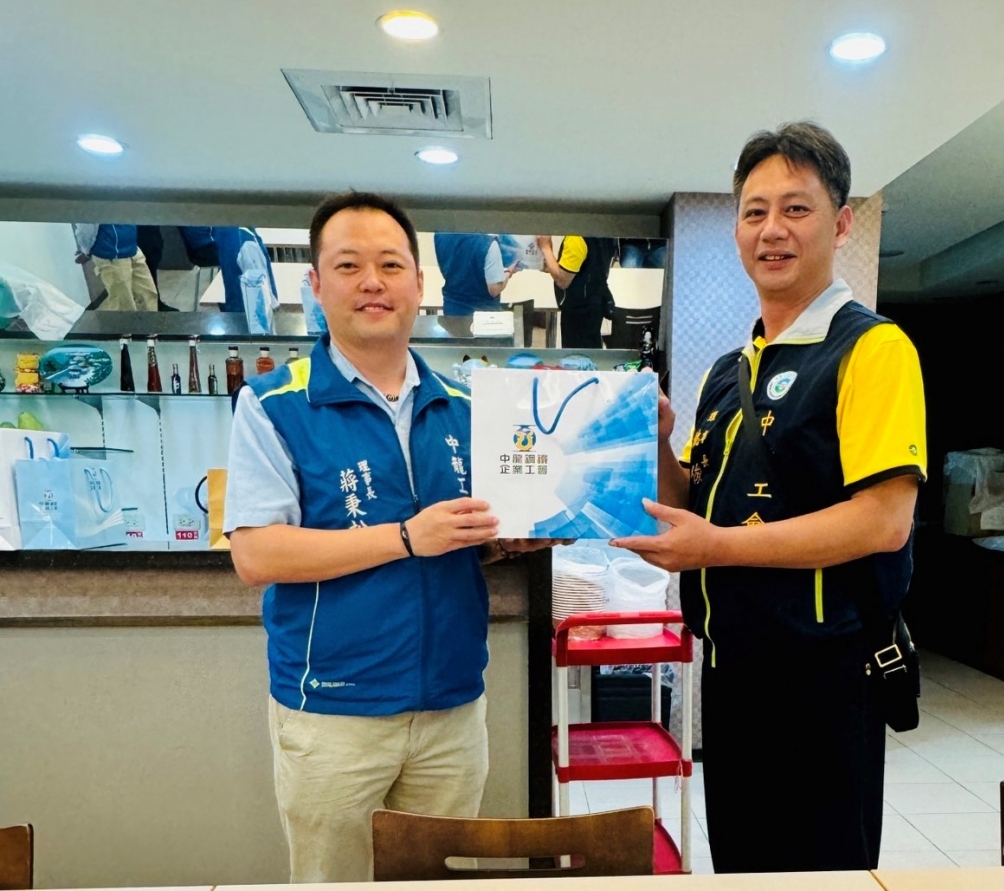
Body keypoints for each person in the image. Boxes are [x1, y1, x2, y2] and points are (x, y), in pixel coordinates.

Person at [614, 121, 927, 873]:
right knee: (743, 865)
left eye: (796, 208)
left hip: (827, 675)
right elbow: (693, 501)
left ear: (841, 224)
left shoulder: (874, 349)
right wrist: (656, 443)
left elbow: (884, 521)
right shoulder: (728, 371)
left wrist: (716, 547)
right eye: (754, 212)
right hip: (731, 671)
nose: (771, 230)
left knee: (821, 872)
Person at [223, 191, 550, 883]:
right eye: (349, 265)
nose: (373, 282)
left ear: (419, 284)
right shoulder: (273, 404)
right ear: (317, 284)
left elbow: (468, 536)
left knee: (440, 881)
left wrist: (510, 539)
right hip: (334, 712)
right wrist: (407, 536)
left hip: (452, 707)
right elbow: (256, 553)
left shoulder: (466, 405)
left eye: (391, 265)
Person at [536, 234, 618, 349]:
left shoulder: (576, 238)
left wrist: (545, 248)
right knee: (591, 348)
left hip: (578, 309)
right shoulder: (604, 234)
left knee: (575, 355)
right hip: (595, 299)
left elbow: (563, 280)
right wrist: (551, 262)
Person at [72, 223, 159, 311]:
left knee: (148, 295)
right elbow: (86, 227)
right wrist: (86, 250)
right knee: (123, 304)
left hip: (132, 248)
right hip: (111, 255)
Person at [434, 232, 515, 316]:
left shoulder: (440, 236)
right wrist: (508, 272)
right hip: (482, 315)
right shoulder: (488, 244)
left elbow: (446, 270)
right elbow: (494, 289)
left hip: (452, 310)